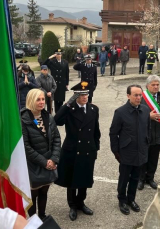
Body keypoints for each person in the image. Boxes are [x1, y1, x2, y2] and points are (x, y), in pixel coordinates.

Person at [54, 82, 101, 221]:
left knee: (84, 178)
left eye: (86, 94)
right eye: (81, 95)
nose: (85, 97)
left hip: (88, 149)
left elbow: (96, 131)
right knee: (71, 179)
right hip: (72, 150)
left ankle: (81, 202)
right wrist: (67, 104)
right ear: (75, 96)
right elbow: (57, 120)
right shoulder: (70, 109)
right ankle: (72, 205)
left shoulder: (93, 109)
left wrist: (95, 147)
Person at [109, 84, 150, 215]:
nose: (138, 98)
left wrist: (146, 144)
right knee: (124, 178)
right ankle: (122, 200)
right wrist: (116, 151)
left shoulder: (145, 110)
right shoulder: (120, 112)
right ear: (128, 96)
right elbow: (113, 133)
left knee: (135, 178)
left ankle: (131, 199)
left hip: (140, 151)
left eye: (140, 95)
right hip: (126, 152)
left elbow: (147, 129)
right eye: (135, 95)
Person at [21, 89, 61, 220]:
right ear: (31, 100)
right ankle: (32, 220)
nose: (42, 102)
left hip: (49, 161)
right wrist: (44, 162)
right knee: (33, 194)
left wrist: (53, 159)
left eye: (43, 99)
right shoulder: (23, 119)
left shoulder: (48, 116)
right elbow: (26, 146)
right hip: (33, 165)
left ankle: (42, 216)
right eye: (38, 99)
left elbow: (56, 139)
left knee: (44, 191)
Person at [138, 75, 160, 191]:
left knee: (154, 158)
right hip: (145, 134)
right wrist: (148, 116)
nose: (156, 87)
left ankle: (150, 178)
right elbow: (134, 115)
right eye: (153, 85)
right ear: (147, 86)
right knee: (143, 158)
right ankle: (141, 179)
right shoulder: (141, 98)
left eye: (157, 84)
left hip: (158, 134)